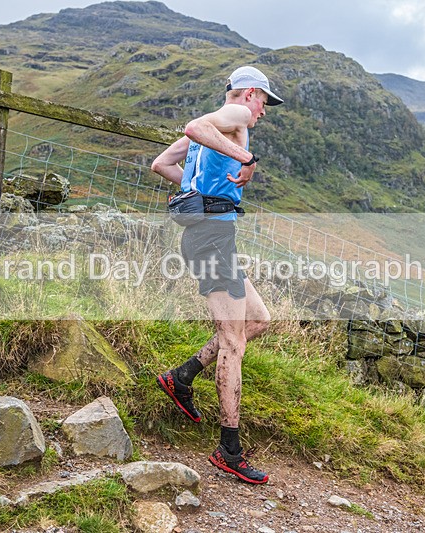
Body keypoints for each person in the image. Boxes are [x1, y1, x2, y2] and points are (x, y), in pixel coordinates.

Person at [150, 66, 283, 484]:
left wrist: (195, 193)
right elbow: (194, 125)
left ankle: (182, 377)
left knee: (258, 319)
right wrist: (247, 158)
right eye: (264, 101)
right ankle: (229, 450)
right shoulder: (236, 117)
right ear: (248, 94)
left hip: (212, 234)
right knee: (232, 342)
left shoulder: (211, 132)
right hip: (212, 238)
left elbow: (161, 163)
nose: (263, 113)